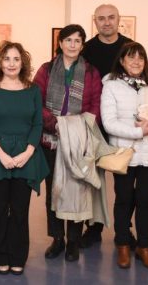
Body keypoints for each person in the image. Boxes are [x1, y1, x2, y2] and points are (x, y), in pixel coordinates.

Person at [0, 41, 49, 275]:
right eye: (7, 58)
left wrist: (28, 153)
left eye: (16, 59)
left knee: (19, 210)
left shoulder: (33, 90)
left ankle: (18, 255)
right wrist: (2, 155)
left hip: (26, 157)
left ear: (23, 62)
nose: (11, 63)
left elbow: (37, 125)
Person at [33, 24, 103, 262]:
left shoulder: (91, 72)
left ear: (82, 45)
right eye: (68, 40)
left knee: (77, 190)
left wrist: (76, 130)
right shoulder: (46, 69)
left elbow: (95, 105)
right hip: (50, 140)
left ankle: (73, 240)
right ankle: (57, 239)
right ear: (60, 43)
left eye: (77, 41)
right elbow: (36, 101)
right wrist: (55, 125)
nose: (73, 45)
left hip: (79, 140)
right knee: (55, 189)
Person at [100, 41, 148, 270]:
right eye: (131, 57)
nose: (136, 62)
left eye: (140, 58)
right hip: (124, 153)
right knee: (123, 199)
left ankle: (143, 246)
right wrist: (138, 131)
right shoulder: (111, 85)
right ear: (122, 61)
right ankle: (122, 243)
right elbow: (109, 122)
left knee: (144, 202)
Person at [80, 3, 134, 247]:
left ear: (118, 19)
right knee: (94, 181)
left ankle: (124, 231)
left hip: (124, 126)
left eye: (111, 17)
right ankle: (93, 229)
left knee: (125, 184)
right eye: (101, 18)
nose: (106, 22)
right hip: (94, 125)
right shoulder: (87, 49)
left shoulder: (130, 48)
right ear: (95, 21)